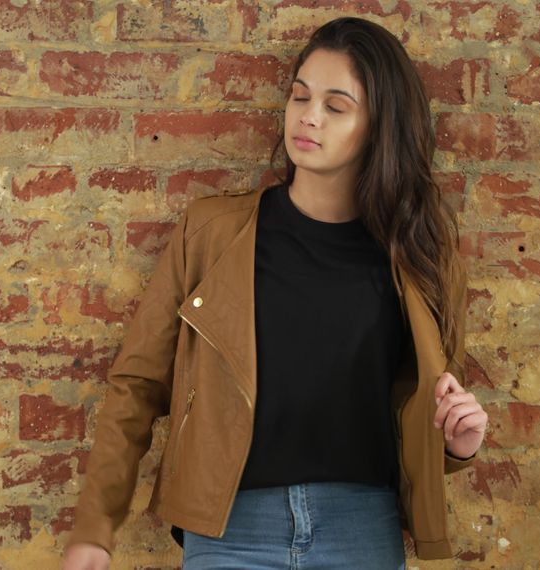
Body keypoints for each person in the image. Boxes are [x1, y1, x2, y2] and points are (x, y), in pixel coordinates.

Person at [61, 16, 488, 570]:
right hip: (231, 525)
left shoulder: (419, 259)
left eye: (336, 106)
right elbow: (137, 385)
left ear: (380, 126)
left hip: (360, 527)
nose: (309, 117)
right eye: (299, 97)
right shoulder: (212, 233)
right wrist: (96, 525)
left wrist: (460, 447)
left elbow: (424, 411)